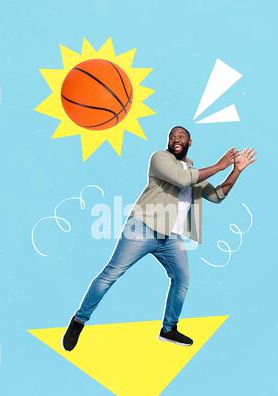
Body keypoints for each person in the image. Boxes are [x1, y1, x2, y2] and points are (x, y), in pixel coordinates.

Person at [62, 126, 257, 350]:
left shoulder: (194, 170)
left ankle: (168, 329)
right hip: (142, 227)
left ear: (189, 142)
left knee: (182, 279)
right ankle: (79, 321)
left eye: (181, 136)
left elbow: (217, 195)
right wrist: (221, 165)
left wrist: (236, 170)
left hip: (171, 237)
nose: (176, 139)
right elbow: (183, 180)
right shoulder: (160, 158)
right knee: (111, 273)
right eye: (172, 136)